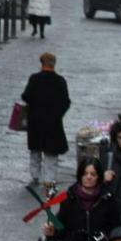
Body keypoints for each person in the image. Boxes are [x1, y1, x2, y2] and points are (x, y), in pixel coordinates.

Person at [43, 158, 120, 241]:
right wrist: (52, 232)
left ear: (98, 177)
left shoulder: (108, 200)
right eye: (85, 174)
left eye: (93, 174)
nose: (89, 177)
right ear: (80, 175)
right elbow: (62, 227)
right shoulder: (69, 199)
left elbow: (115, 229)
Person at [20, 52, 70, 193]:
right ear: (54, 64)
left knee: (35, 149)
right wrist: (58, 114)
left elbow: (26, 96)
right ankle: (49, 179)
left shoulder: (34, 79)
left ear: (42, 63)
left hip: (35, 120)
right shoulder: (60, 81)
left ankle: (35, 176)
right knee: (51, 152)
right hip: (53, 122)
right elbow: (66, 101)